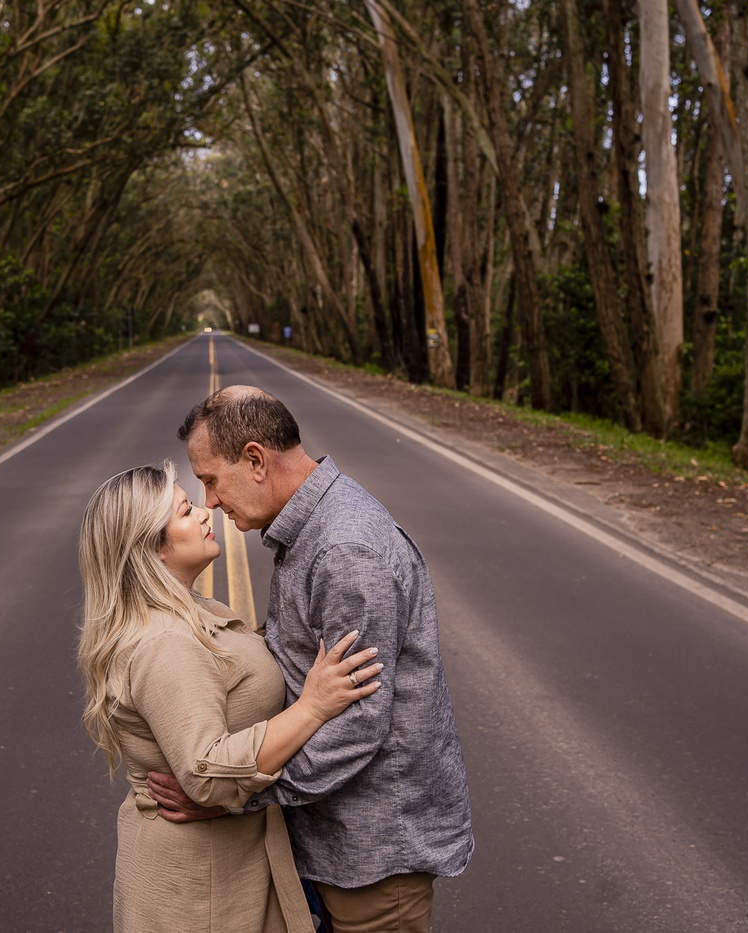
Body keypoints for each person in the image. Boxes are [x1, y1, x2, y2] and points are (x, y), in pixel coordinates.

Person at [150, 385, 474, 933]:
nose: (209, 502)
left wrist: (236, 796)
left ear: (254, 459)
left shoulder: (345, 551)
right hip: (335, 844)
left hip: (373, 858)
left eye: (209, 480)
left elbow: (356, 728)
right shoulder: (312, 530)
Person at [77, 459, 384, 933]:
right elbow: (207, 773)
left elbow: (231, 664)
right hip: (202, 891)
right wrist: (313, 706)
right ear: (151, 550)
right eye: (184, 512)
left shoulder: (190, 610)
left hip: (225, 866)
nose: (204, 513)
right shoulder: (166, 645)